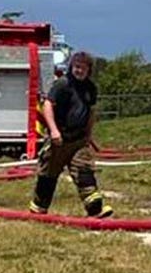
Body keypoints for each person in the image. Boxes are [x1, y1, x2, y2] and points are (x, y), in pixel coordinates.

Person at [30, 51, 113, 218]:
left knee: (84, 171)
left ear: (89, 69)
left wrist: (89, 135)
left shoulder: (91, 88)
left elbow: (90, 112)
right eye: (76, 67)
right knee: (48, 175)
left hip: (78, 140)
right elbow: (47, 105)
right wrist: (53, 130)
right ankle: (38, 210)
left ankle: (95, 210)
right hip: (59, 140)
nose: (78, 71)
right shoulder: (62, 84)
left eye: (82, 68)